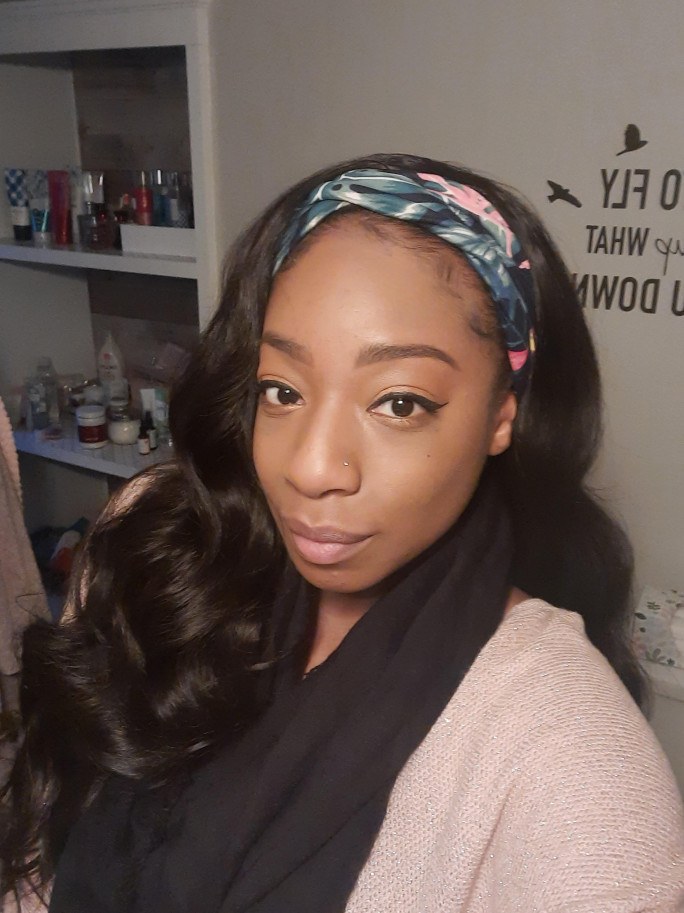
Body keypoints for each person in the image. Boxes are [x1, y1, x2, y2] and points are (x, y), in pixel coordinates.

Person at [2, 154, 683, 912]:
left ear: (502, 415)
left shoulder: (572, 755)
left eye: (399, 403)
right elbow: (41, 853)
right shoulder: (154, 543)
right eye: (282, 391)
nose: (312, 467)